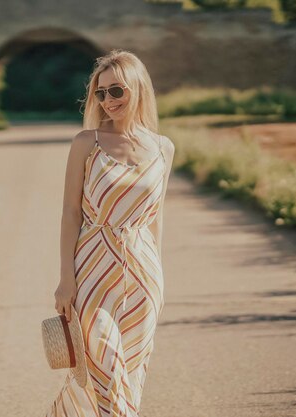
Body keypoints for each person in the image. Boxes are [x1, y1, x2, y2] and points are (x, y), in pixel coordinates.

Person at [45, 49, 174, 417]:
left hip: (143, 272)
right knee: (99, 361)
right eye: (100, 93)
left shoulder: (163, 148)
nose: (108, 101)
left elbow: (156, 218)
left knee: (130, 370)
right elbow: (70, 213)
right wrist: (65, 281)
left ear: (137, 88)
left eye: (116, 91)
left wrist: (159, 277)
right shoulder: (87, 142)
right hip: (92, 265)